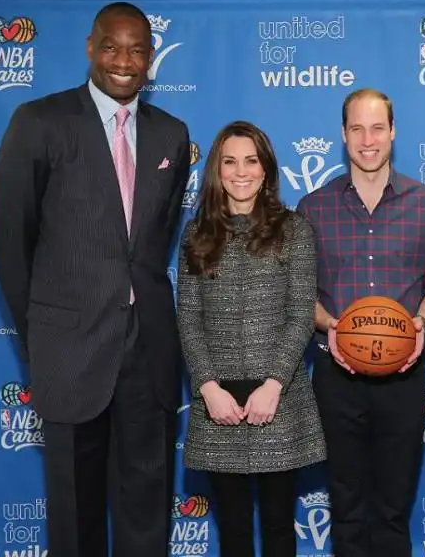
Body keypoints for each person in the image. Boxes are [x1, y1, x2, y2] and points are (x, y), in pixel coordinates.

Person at [0, 2, 190, 556]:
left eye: (138, 49)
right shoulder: (41, 121)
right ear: (90, 48)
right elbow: (9, 243)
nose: (124, 61)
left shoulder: (172, 134)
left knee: (148, 509)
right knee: (75, 517)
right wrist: (42, 338)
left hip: (148, 350)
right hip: (69, 351)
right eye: (111, 46)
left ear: (152, 58)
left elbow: (151, 244)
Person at [296, 88, 425, 557]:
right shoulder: (312, 209)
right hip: (335, 375)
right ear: (343, 135)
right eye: (357, 129)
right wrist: (332, 326)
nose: (368, 139)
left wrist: (420, 321)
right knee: (345, 504)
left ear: (393, 132)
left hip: (403, 379)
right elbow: (301, 299)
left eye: (377, 128)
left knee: (392, 507)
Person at [176, 120, 326, 557]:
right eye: (230, 162)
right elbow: (188, 318)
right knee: (234, 535)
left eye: (251, 161)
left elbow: (301, 313)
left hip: (278, 402)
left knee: (280, 531)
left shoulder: (295, 230)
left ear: (266, 170)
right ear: (216, 171)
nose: (241, 172)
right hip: (218, 406)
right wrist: (208, 390)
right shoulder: (195, 233)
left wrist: (273, 386)